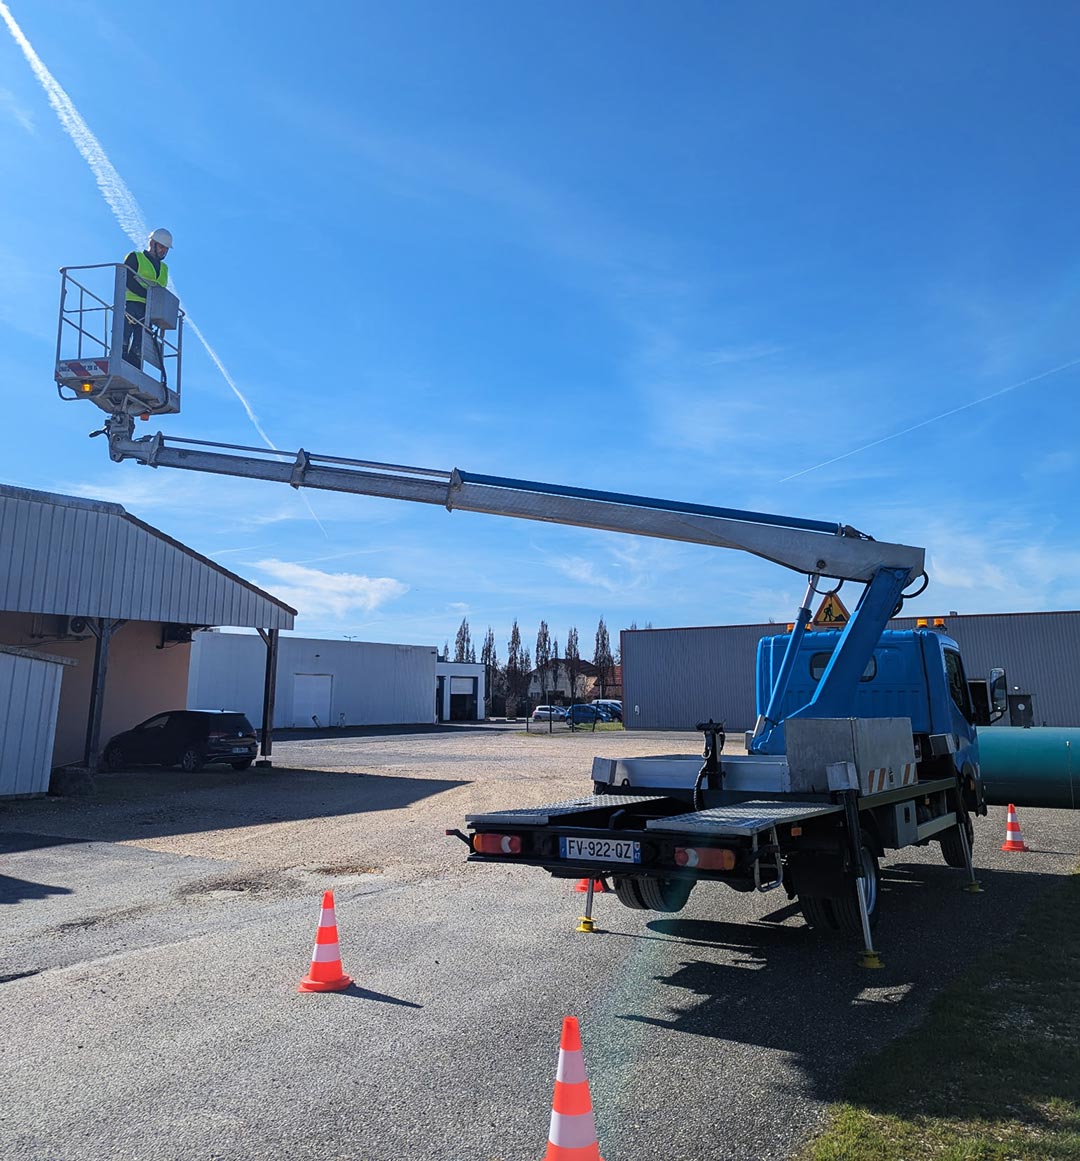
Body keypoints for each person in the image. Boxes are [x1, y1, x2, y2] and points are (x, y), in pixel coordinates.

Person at [122, 227, 172, 368]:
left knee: (138, 350)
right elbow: (126, 279)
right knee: (122, 343)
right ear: (152, 244)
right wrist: (147, 294)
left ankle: (134, 364)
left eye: (166, 249)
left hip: (148, 311)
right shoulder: (135, 257)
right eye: (161, 247)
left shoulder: (164, 269)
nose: (163, 251)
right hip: (130, 304)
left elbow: (161, 292)